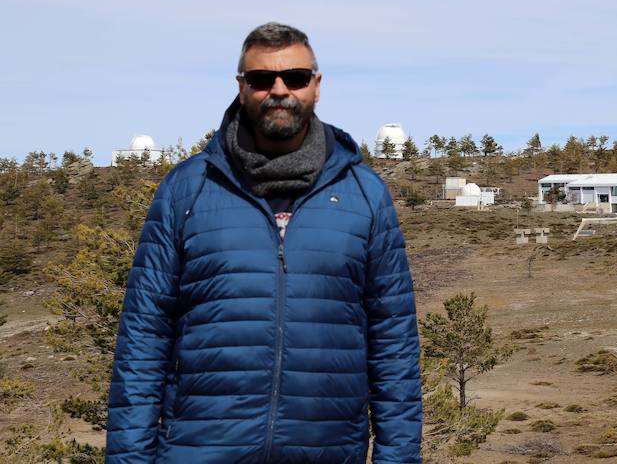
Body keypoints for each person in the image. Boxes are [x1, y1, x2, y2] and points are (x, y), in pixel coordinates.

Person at [106, 23, 422, 463]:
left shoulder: (364, 194)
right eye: (261, 79)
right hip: (198, 451)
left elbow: (393, 343)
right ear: (241, 88)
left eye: (294, 77)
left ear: (316, 85)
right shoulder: (187, 189)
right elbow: (143, 337)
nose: (278, 90)